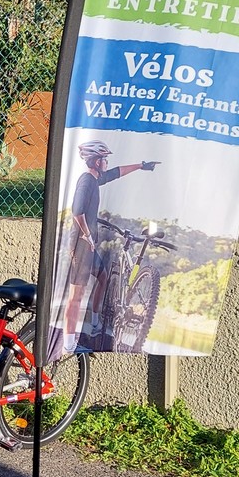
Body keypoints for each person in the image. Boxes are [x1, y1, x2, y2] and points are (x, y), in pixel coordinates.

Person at [59, 140, 158, 353]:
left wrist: (141, 165)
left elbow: (115, 173)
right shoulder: (86, 181)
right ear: (95, 161)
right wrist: (87, 235)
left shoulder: (95, 179)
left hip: (90, 245)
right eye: (103, 159)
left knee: (103, 277)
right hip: (82, 246)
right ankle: (68, 343)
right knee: (76, 295)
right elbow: (77, 212)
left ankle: (94, 322)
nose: (106, 162)